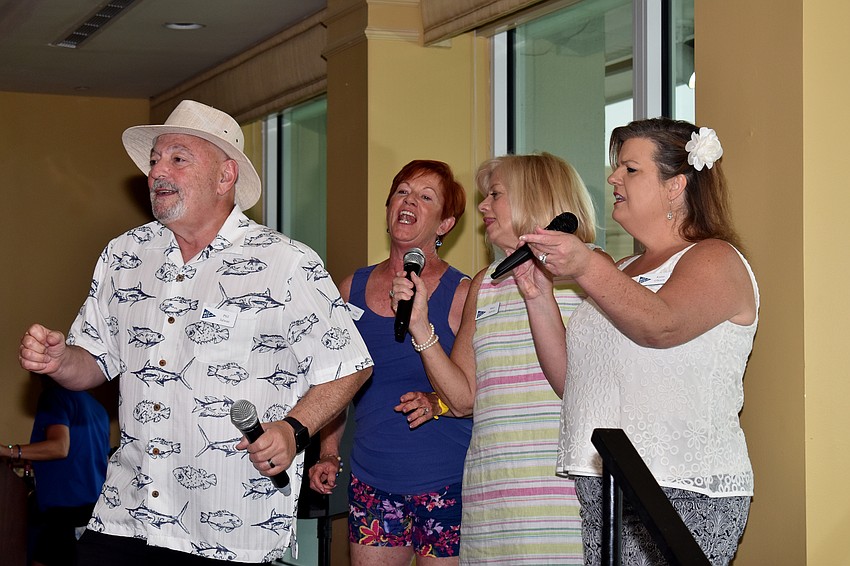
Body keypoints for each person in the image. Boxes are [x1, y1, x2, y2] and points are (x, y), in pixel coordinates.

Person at [18, 100, 374, 565]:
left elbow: (350, 365)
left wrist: (293, 430)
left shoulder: (286, 264)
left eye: (177, 158)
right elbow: (95, 361)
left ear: (226, 176)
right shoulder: (125, 255)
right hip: (129, 516)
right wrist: (61, 361)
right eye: (154, 160)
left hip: (230, 527)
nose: (157, 172)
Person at [518, 118, 758, 565]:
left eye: (630, 169)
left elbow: (660, 326)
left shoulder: (715, 259)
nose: (612, 178)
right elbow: (575, 383)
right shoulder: (622, 268)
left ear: (675, 186)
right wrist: (538, 295)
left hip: (678, 490)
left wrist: (587, 266)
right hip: (605, 486)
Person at [392, 153, 601, 564]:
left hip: (558, 502)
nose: (483, 207)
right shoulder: (485, 284)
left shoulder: (590, 272)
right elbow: (463, 398)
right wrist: (420, 327)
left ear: (533, 196)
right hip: (490, 500)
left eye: (495, 195)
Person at [308, 160, 472, 566]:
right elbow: (336, 380)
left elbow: (475, 393)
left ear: (444, 225)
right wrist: (328, 452)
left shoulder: (462, 293)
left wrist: (436, 399)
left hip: (447, 482)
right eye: (402, 190)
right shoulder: (352, 287)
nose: (409, 199)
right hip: (372, 481)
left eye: (425, 196)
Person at [3, 376, 110, 566]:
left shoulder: (55, 397)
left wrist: (9, 451)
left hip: (64, 508)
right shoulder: (97, 408)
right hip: (93, 509)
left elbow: (59, 447)